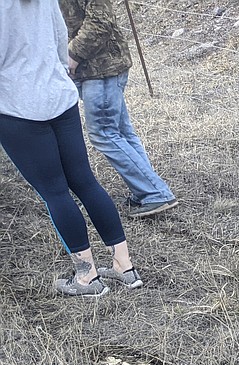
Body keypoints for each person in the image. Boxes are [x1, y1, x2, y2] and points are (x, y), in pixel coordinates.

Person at [0, 0, 143, 296]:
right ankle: (124, 267)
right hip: (59, 97)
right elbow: (59, 37)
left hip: (18, 107)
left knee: (54, 191)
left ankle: (87, 278)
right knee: (85, 181)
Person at [59, 0, 178, 218]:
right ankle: (147, 190)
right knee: (121, 133)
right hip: (95, 68)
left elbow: (101, 21)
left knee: (104, 133)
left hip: (101, 68)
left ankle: (155, 193)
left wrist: (72, 56)